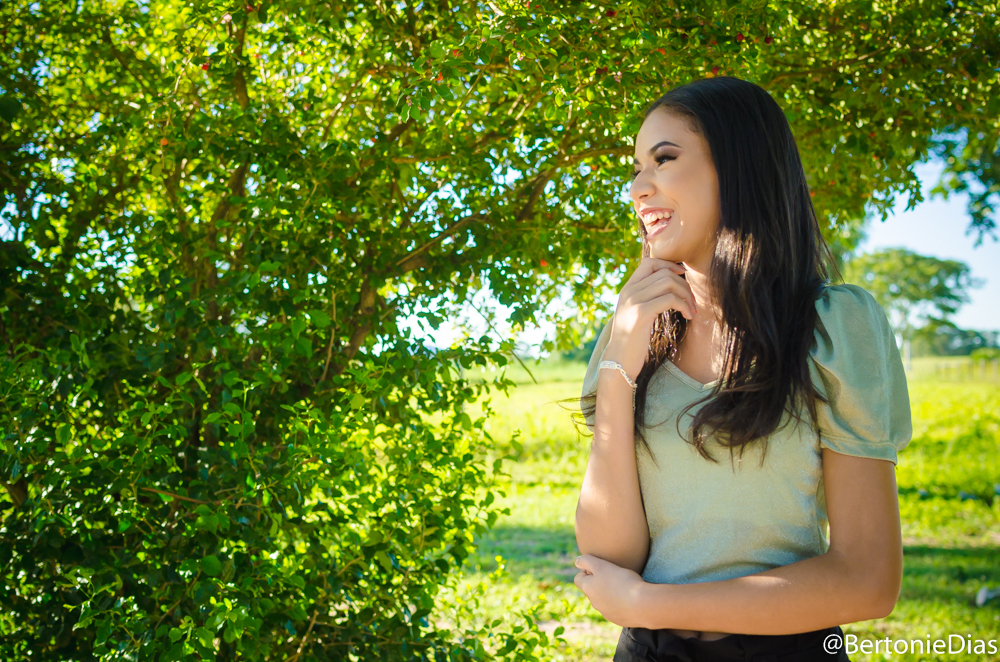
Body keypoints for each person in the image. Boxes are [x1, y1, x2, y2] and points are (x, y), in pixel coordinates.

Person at [572, 77, 912, 662]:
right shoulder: (632, 332)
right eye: (635, 168)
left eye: (664, 159)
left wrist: (650, 604)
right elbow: (610, 563)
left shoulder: (832, 327)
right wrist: (617, 365)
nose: (637, 187)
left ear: (739, 167)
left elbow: (868, 579)